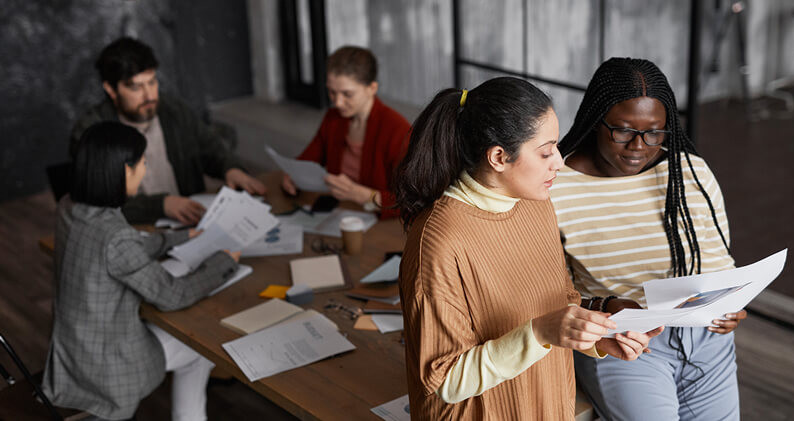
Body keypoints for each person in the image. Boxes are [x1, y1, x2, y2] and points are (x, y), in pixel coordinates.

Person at [394, 77, 661, 420]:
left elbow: (559, 301)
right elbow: (445, 379)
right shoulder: (438, 241)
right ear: (499, 157)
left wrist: (598, 335)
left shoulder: (535, 203)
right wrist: (539, 332)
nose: (560, 162)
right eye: (546, 152)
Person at [550, 57, 746, 420]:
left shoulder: (688, 171)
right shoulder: (555, 186)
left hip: (706, 340)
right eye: (623, 131)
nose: (639, 146)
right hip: (624, 341)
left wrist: (731, 306)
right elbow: (546, 291)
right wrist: (605, 306)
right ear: (596, 122)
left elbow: (720, 265)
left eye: (655, 133)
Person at [44, 121, 241, 420]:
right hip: (109, 369)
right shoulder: (115, 236)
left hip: (71, 352)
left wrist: (175, 238)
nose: (145, 169)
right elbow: (173, 296)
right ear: (125, 170)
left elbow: (115, 251)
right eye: (143, 164)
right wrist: (226, 262)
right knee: (199, 353)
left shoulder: (70, 206)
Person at [70, 37, 266, 225]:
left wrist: (230, 168)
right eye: (136, 87)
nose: (149, 96)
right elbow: (94, 203)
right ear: (111, 90)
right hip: (130, 231)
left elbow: (210, 148)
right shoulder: (92, 132)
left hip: (188, 222)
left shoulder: (173, 110)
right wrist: (161, 205)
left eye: (152, 82)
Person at [281, 46, 410, 218]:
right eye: (332, 92)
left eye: (347, 94)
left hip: (379, 221)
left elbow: (411, 201)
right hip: (339, 210)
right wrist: (293, 174)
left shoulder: (397, 129)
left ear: (372, 88)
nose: (338, 103)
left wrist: (364, 195)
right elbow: (308, 158)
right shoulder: (334, 119)